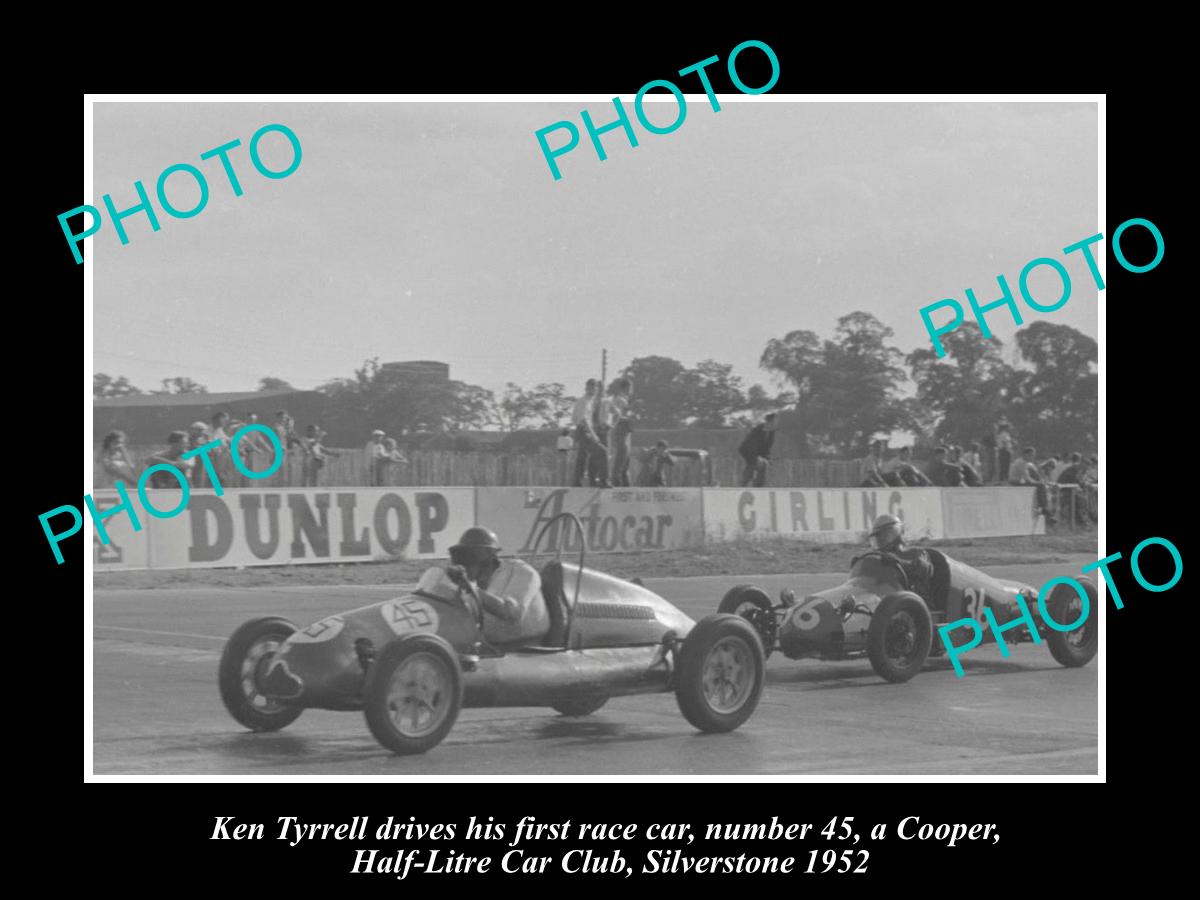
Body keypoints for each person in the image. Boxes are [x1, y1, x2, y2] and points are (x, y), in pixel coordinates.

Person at [417, 527, 549, 648]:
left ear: (487, 558)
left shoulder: (521, 572)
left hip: (523, 647)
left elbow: (511, 612)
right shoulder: (466, 580)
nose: (465, 566)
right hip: (484, 645)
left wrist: (471, 589)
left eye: (470, 559)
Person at [866, 514, 935, 603]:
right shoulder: (879, 560)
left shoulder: (917, 553)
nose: (880, 539)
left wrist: (897, 561)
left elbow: (921, 569)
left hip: (917, 608)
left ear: (897, 533)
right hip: (887, 606)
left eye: (884, 535)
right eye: (877, 537)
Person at [571, 379, 606, 487]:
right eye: (590, 387)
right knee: (602, 452)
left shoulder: (590, 401)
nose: (593, 390)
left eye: (594, 387)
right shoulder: (584, 401)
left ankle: (579, 482)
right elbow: (583, 420)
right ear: (586, 388)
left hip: (583, 430)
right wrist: (593, 434)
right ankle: (603, 480)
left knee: (583, 457)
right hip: (584, 430)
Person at [1008, 445, 1053, 524]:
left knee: (1040, 485)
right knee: (1041, 486)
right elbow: (1028, 479)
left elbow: (1031, 476)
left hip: (1020, 481)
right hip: (1016, 482)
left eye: (1032, 455)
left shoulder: (1025, 463)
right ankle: (1044, 508)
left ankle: (1043, 506)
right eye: (1030, 455)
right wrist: (1039, 483)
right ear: (1024, 454)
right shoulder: (1021, 463)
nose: (1031, 457)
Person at [607, 378, 634, 487]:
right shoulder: (620, 400)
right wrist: (629, 417)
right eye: (630, 387)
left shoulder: (624, 400)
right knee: (619, 464)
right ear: (625, 388)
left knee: (625, 465)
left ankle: (626, 488)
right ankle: (617, 487)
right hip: (620, 434)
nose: (631, 390)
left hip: (625, 434)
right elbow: (616, 417)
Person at [738, 413, 777, 487]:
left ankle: (758, 487)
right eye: (775, 422)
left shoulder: (771, 433)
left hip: (758, 455)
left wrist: (767, 458)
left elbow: (767, 448)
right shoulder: (757, 430)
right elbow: (751, 446)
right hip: (747, 452)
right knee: (752, 467)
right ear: (769, 422)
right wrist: (757, 457)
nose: (776, 424)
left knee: (763, 465)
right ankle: (742, 486)